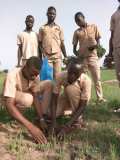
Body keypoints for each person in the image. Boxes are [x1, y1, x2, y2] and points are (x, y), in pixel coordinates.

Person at [3, 56, 53, 144]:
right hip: (9, 97)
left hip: (24, 93)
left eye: (37, 74)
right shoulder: (12, 75)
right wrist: (30, 127)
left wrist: (41, 119)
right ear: (25, 67)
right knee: (28, 99)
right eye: (32, 74)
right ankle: (15, 121)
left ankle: (41, 119)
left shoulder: (35, 76)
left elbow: (36, 96)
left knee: (49, 84)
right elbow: (9, 104)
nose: (34, 77)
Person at [50, 57, 91, 137]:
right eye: (70, 72)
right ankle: (69, 112)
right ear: (67, 69)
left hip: (79, 101)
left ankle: (78, 119)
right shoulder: (60, 76)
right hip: (66, 97)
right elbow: (54, 100)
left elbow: (82, 105)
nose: (72, 76)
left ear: (81, 73)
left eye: (75, 74)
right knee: (52, 114)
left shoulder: (87, 81)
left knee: (71, 88)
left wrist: (67, 125)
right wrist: (53, 122)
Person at [72, 12, 106, 102]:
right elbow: (74, 48)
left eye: (79, 20)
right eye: (76, 21)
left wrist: (94, 47)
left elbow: (98, 41)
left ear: (83, 17)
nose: (78, 22)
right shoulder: (77, 32)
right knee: (83, 80)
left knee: (97, 79)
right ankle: (85, 99)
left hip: (93, 57)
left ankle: (100, 98)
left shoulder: (93, 27)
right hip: (82, 59)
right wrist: (78, 55)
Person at [38, 6, 67, 79]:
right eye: (50, 13)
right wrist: (40, 57)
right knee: (47, 78)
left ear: (55, 15)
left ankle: (57, 91)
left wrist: (65, 56)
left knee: (57, 78)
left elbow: (62, 44)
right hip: (47, 57)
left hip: (57, 56)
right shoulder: (42, 28)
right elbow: (40, 44)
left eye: (53, 14)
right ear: (47, 14)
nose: (51, 15)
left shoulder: (59, 28)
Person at [108, 0, 120, 86]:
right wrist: (110, 53)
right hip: (117, 48)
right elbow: (111, 36)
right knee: (119, 76)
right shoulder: (114, 15)